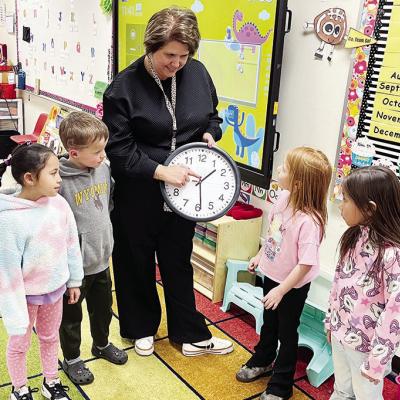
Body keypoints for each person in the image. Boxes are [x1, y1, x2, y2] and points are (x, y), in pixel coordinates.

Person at [102, 6, 233, 357]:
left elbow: (213, 115)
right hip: (139, 193)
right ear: (150, 47)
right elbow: (119, 149)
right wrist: (160, 171)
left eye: (184, 56)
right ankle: (140, 327)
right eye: (169, 56)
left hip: (184, 194)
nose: (176, 63)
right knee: (134, 261)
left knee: (178, 261)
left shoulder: (198, 73)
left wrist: (210, 132)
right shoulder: (123, 89)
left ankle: (189, 334)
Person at [235, 147, 332, 400]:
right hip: (273, 276)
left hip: (293, 285)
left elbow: (305, 265)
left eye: (285, 169)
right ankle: (264, 358)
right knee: (269, 322)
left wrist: (282, 289)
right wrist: (259, 255)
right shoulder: (283, 198)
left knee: (287, 333)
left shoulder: (310, 221)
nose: (279, 170)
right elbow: (274, 233)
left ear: (299, 183)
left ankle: (281, 385)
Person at [0, 144, 83, 400]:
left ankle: (51, 381)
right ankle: (20, 388)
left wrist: (74, 280)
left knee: (49, 338)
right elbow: (7, 270)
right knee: (19, 344)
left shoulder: (59, 205)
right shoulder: (9, 218)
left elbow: (71, 243)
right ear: (29, 178)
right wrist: (12, 312)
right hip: (24, 298)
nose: (60, 179)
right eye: (53, 173)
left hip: (54, 290)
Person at [58, 112, 128, 385]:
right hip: (73, 269)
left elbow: (107, 203)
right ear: (73, 152)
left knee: (103, 309)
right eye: (96, 151)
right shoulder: (59, 181)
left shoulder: (104, 168)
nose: (102, 155)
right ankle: (72, 359)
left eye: (104, 149)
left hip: (101, 259)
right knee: (71, 317)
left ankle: (101, 344)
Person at [325, 166, 400, 400]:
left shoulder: (392, 255)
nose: (340, 205)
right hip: (340, 334)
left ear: (369, 208)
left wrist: (377, 362)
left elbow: (394, 314)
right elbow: (339, 281)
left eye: (345, 200)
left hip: (366, 349)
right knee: (341, 390)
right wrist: (330, 321)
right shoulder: (354, 236)